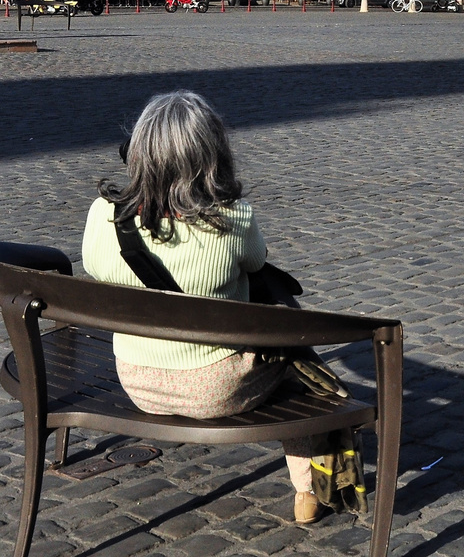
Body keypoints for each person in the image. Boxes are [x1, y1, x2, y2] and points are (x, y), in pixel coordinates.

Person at [82, 91, 321, 524]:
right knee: (299, 366)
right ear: (212, 157)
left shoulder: (101, 215)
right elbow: (258, 261)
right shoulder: (233, 219)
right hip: (215, 387)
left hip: (137, 380)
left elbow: (96, 267)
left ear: (139, 153)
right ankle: (307, 489)